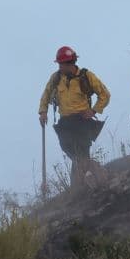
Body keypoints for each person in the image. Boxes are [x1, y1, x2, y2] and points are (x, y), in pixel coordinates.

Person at [37, 46, 111, 186]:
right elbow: (46, 94)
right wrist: (43, 112)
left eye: (61, 64)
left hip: (82, 120)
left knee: (82, 151)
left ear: (70, 63)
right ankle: (91, 175)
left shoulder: (86, 76)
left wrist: (94, 111)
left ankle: (83, 184)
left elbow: (105, 95)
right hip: (65, 122)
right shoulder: (56, 78)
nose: (59, 67)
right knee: (68, 147)